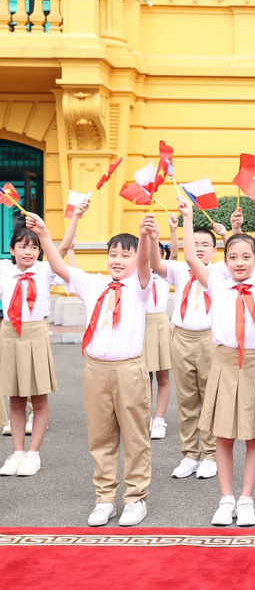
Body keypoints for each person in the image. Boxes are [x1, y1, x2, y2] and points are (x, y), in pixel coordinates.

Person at [172, 193, 255, 527]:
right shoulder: (216, 284)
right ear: (224, 261)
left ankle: (247, 498)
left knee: (253, 436)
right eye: (233, 257)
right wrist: (187, 218)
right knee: (223, 436)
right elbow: (192, 259)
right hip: (223, 364)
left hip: (254, 364)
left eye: (246, 257)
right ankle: (226, 498)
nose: (239, 262)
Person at [28, 212, 153, 527]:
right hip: (95, 369)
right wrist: (44, 232)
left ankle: (136, 498)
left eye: (126, 254)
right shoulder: (94, 284)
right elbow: (58, 266)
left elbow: (145, 264)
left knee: (135, 436)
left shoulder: (140, 284)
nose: (118, 260)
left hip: (128, 369)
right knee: (101, 436)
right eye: (113, 254)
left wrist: (145, 236)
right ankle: (105, 498)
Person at [0, 201, 86, 477]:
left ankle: (34, 453)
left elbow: (64, 246)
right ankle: (17, 452)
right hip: (9, 334)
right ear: (11, 250)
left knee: (38, 398)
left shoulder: (46, 270)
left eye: (34, 247)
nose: (29, 251)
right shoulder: (4, 270)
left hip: (36, 333)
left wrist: (75, 216)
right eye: (23, 246)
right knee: (14, 397)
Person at [150, 220, 222, 480]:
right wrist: (154, 236)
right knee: (187, 400)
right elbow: (156, 265)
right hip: (181, 336)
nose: (200, 249)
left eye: (206, 245)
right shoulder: (179, 269)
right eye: (196, 244)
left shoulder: (221, 272)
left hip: (209, 339)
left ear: (215, 250)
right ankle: (190, 454)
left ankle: (211, 454)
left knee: (210, 398)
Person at [146, 222, 177, 441]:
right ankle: (145, 417)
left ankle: (159, 419)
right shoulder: (135, 275)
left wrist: (173, 230)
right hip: (141, 326)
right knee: (143, 377)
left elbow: (174, 253)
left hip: (161, 324)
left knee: (163, 375)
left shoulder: (166, 273)